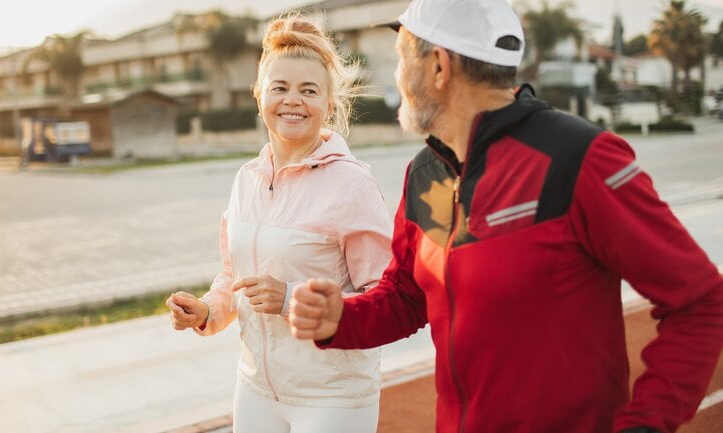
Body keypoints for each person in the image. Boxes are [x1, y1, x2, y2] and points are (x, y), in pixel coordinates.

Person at [288, 1, 723, 432]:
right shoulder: (425, 174)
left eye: (404, 58)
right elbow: (406, 297)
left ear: (439, 67)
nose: (398, 76)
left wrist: (645, 425)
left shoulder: (577, 159)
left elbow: (701, 302)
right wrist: (343, 319)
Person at [166, 15, 392, 433]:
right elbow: (234, 276)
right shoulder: (246, 178)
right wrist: (206, 310)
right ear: (259, 96)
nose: (293, 100)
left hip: (333, 396)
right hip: (254, 389)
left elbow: (385, 299)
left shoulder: (352, 184)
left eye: (309, 90)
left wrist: (291, 298)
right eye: (280, 87)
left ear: (328, 103)